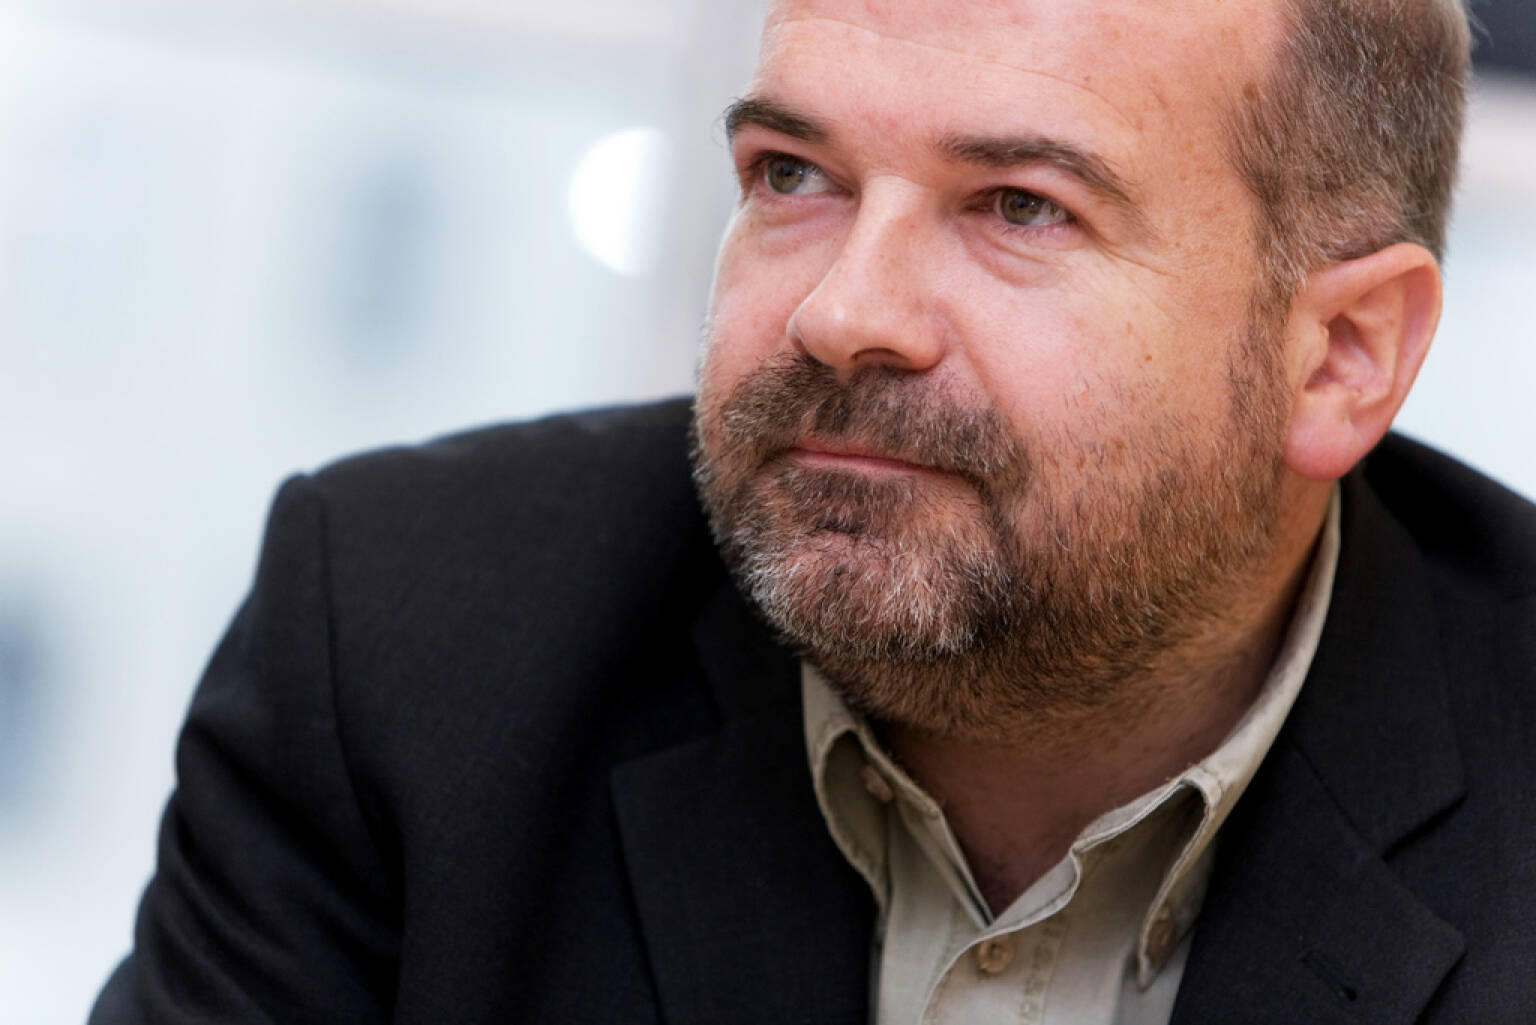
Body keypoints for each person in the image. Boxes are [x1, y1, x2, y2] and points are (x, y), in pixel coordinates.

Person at [90, 0, 1535, 1022]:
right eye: (793, 177)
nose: (843, 313)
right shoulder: (404, 648)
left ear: (1342, 355)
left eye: (1020, 205)